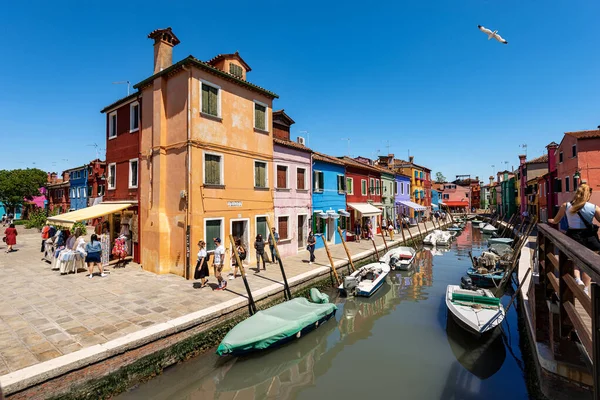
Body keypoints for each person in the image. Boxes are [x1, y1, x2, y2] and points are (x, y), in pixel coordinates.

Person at [549, 184, 600, 295]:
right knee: (589, 262)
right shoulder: (594, 207)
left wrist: (551, 221)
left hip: (573, 235)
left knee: (574, 260)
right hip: (589, 237)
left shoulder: (566, 206)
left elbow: (556, 221)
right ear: (589, 194)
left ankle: (577, 279)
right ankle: (586, 288)